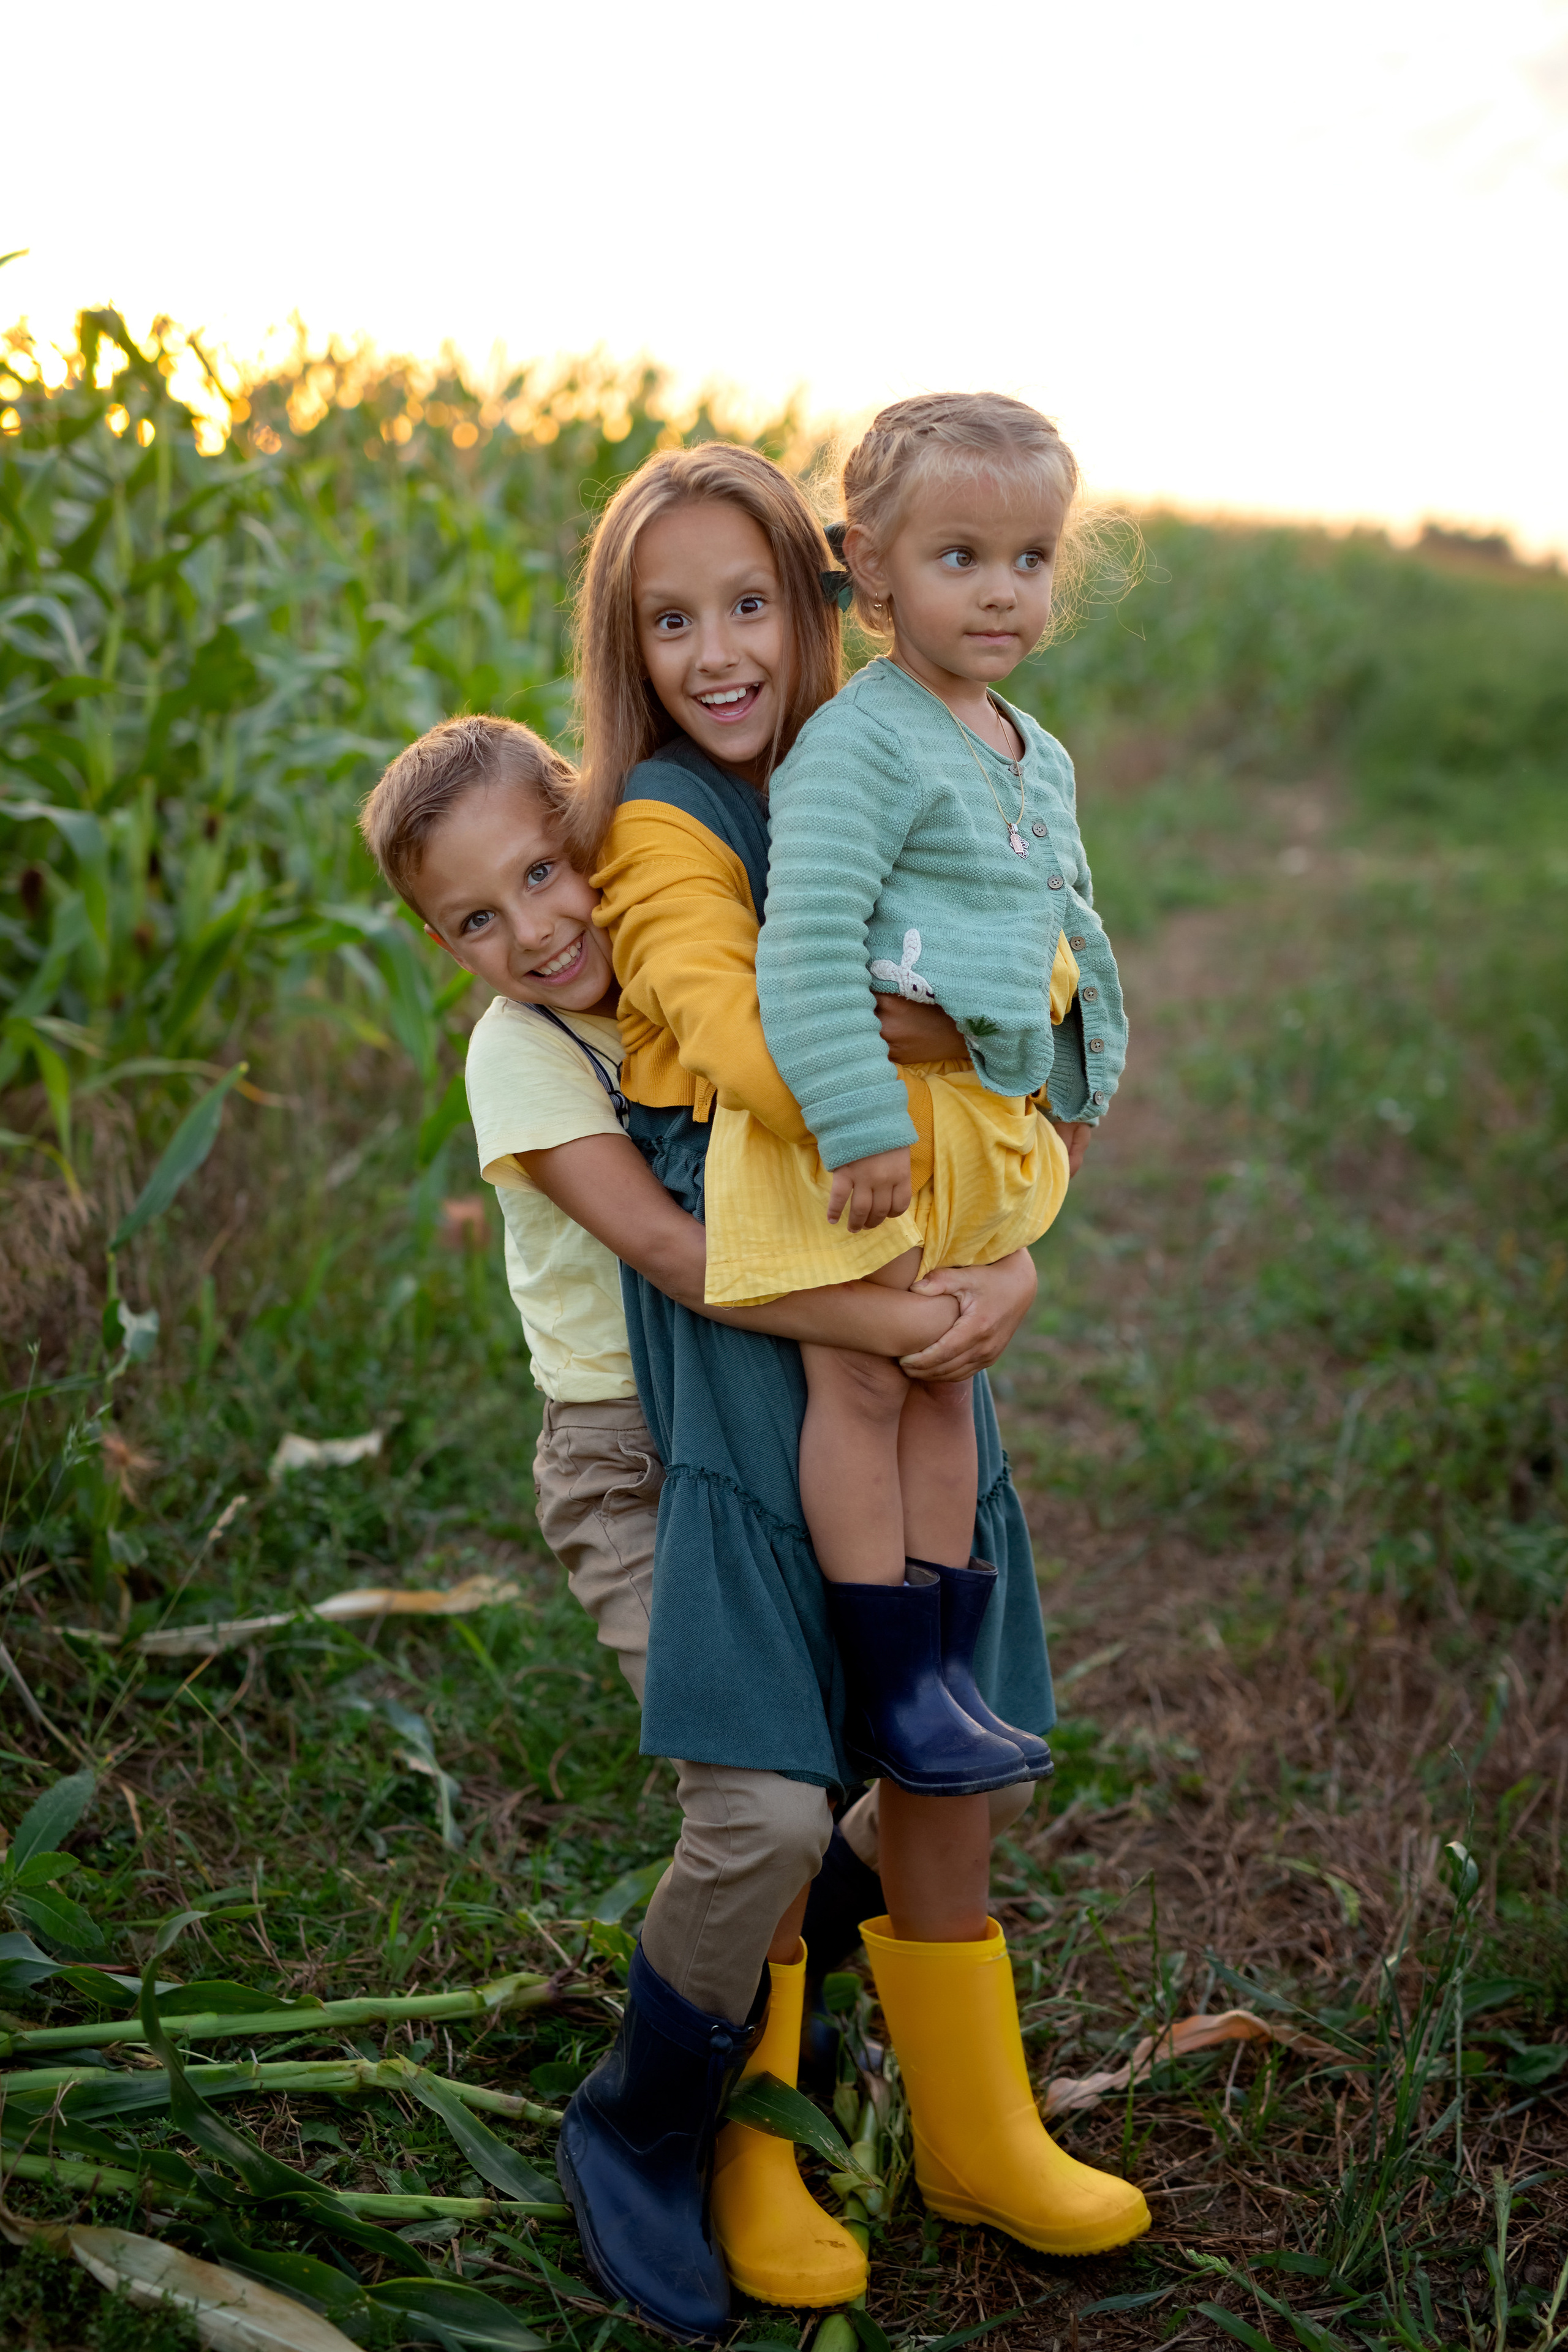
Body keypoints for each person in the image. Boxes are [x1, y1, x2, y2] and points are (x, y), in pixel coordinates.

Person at [356, 711, 1042, 2334]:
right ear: (441, 948)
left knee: (909, 1756)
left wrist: (999, 1268)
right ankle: (647, 2118)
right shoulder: (522, 1056)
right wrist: (907, 1331)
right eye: (476, 918)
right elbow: (678, 1255)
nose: (534, 929)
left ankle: (831, 2022)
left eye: (543, 869)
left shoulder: (699, 966)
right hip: (636, 1467)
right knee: (765, 1815)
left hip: (789, 1419)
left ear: (590, 833)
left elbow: (918, 1130)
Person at [562, 440, 1148, 2335]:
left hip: (909, 1265)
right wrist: (908, 1027)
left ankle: (978, 2121)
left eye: (753, 604)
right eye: (674, 619)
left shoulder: (895, 756)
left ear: (825, 604)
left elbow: (1047, 981)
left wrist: (1019, 1216)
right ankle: (739, 2128)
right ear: (631, 649)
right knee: (798, 1750)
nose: (720, 650)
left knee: (933, 1734)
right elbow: (724, 1015)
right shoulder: (661, 822)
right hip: (766, 1331)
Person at [698, 394, 1126, 1807]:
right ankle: (890, 1680)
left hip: (963, 1137)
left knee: (948, 1382)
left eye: (1029, 557)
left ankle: (941, 1674)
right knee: (867, 1377)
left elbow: (1059, 926)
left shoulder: (1029, 745)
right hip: (866, 1132)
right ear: (871, 569)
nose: (1002, 590)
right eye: (959, 557)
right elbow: (806, 941)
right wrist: (862, 1122)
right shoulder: (861, 740)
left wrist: (1070, 1080)